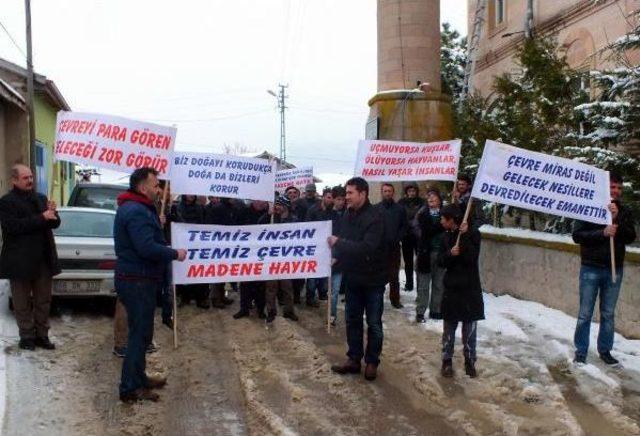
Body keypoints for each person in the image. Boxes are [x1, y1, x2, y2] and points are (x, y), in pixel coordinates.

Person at [113, 167, 187, 403]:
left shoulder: (140, 209)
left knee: (142, 334)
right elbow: (146, 248)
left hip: (138, 278)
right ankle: (130, 388)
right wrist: (174, 252)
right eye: (156, 185)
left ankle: (139, 377)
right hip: (137, 280)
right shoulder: (136, 211)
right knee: (139, 335)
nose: (159, 190)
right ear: (143, 188)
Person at [572, 172, 636, 365]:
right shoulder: (588, 206)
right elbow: (577, 235)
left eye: (619, 188)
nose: (616, 191)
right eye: (612, 187)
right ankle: (581, 351)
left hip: (614, 270)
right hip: (591, 268)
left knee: (608, 313)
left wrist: (616, 220)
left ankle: (605, 350)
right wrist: (602, 232)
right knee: (585, 313)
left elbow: (631, 236)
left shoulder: (623, 211)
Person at [330, 177, 388, 381]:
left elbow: (366, 248)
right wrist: (336, 257)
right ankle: (354, 359)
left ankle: (372, 362)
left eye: (350, 193)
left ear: (363, 194)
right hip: (353, 278)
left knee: (373, 323)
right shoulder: (347, 215)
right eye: (346, 193)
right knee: (352, 320)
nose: (346, 197)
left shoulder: (376, 217)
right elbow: (346, 242)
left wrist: (339, 242)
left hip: (373, 280)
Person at [0, 164, 60, 350]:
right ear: (14, 180)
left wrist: (53, 214)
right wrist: (42, 217)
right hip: (20, 260)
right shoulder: (6, 202)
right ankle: (26, 336)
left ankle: (42, 335)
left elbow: (54, 224)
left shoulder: (40, 198)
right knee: (21, 301)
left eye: (31, 177)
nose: (30, 181)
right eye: (25, 178)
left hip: (42, 258)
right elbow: (13, 227)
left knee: (43, 300)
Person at [438, 204, 484, 379]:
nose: (441, 221)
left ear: (452, 220)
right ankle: (447, 360)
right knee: (449, 329)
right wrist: (450, 254)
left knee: (470, 330)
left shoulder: (473, 234)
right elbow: (441, 261)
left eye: (444, 218)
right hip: (452, 289)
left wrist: (464, 237)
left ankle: (470, 360)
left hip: (469, 289)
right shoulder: (444, 237)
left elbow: (471, 258)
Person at [259, 196, 299, 323]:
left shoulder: (293, 220)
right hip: (272, 259)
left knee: (287, 287)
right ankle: (271, 311)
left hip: (286, 259)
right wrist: (267, 215)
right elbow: (259, 226)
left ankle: (289, 311)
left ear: (285, 206)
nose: (277, 207)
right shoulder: (271, 218)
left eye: (280, 205)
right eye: (276, 204)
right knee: (271, 288)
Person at [233, 200, 269, 319]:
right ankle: (244, 308)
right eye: (258, 200)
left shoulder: (269, 214)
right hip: (246, 252)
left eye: (263, 201)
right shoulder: (243, 212)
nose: (260, 203)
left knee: (261, 284)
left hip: (262, 253)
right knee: (245, 282)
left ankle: (260, 309)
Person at [173, 195, 210, 308]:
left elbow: (205, 225)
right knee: (184, 271)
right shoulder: (177, 208)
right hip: (182, 244)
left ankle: (201, 298)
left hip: (198, 245)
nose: (191, 196)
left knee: (198, 272)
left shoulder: (200, 208)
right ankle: (184, 297)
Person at [415, 190, 445, 322]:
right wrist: (440, 226)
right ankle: (420, 311)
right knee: (423, 285)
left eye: (434, 196)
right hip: (425, 254)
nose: (431, 198)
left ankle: (436, 310)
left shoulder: (446, 213)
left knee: (439, 284)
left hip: (442, 253)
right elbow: (424, 231)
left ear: (439, 199)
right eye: (429, 197)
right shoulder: (422, 214)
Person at [375, 183, 407, 309]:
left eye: (389, 191)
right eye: (385, 191)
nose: (387, 193)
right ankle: (377, 298)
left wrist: (397, 238)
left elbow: (404, 226)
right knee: (379, 274)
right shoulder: (376, 208)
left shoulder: (400, 209)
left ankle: (395, 300)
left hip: (394, 247)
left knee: (394, 275)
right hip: (379, 248)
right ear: (381, 192)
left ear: (393, 193)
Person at [204, 197, 239, 309]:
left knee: (223, 272)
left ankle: (221, 295)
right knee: (217, 273)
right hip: (218, 244)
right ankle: (215, 298)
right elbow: (210, 225)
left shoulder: (233, 208)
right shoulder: (217, 208)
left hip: (228, 244)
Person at [305, 187, 335, 307]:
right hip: (315, 247)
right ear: (323, 197)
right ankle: (310, 297)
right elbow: (308, 227)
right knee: (312, 275)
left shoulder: (332, 212)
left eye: (332, 198)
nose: (330, 200)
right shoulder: (313, 210)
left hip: (327, 248)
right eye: (328, 197)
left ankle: (322, 293)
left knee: (324, 272)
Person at [398, 183, 424, 291]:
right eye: (409, 191)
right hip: (406, 235)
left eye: (413, 191)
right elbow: (398, 217)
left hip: (418, 235)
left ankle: (420, 285)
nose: (412, 193)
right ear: (406, 192)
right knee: (408, 262)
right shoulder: (401, 203)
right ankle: (409, 284)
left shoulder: (422, 202)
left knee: (420, 261)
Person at [285, 185, 306, 301]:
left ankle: (297, 295)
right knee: (286, 273)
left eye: (294, 193)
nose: (292, 194)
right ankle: (285, 296)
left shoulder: (303, 208)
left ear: (298, 195)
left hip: (299, 247)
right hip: (285, 247)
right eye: (289, 193)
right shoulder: (281, 208)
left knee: (299, 273)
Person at [329, 185, 347, 326]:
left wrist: (337, 255)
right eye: (338, 199)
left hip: (342, 259)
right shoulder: (327, 214)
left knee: (335, 291)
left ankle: (332, 315)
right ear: (333, 199)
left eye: (343, 199)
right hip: (327, 257)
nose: (341, 202)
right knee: (329, 290)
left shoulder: (348, 215)